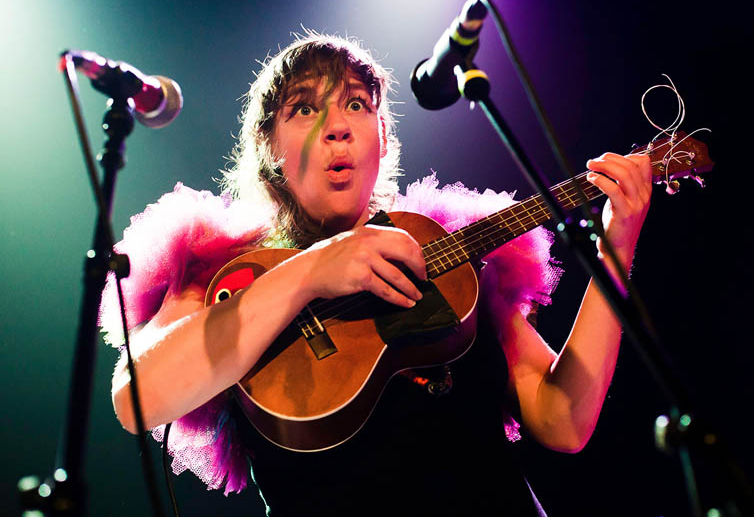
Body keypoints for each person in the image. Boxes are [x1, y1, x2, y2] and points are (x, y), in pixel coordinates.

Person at [100, 32, 652, 516]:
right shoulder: (222, 271)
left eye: (357, 105)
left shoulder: (442, 251)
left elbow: (562, 418)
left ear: (382, 137)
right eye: (304, 109)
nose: (337, 127)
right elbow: (137, 397)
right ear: (270, 148)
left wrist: (616, 246)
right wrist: (314, 269)